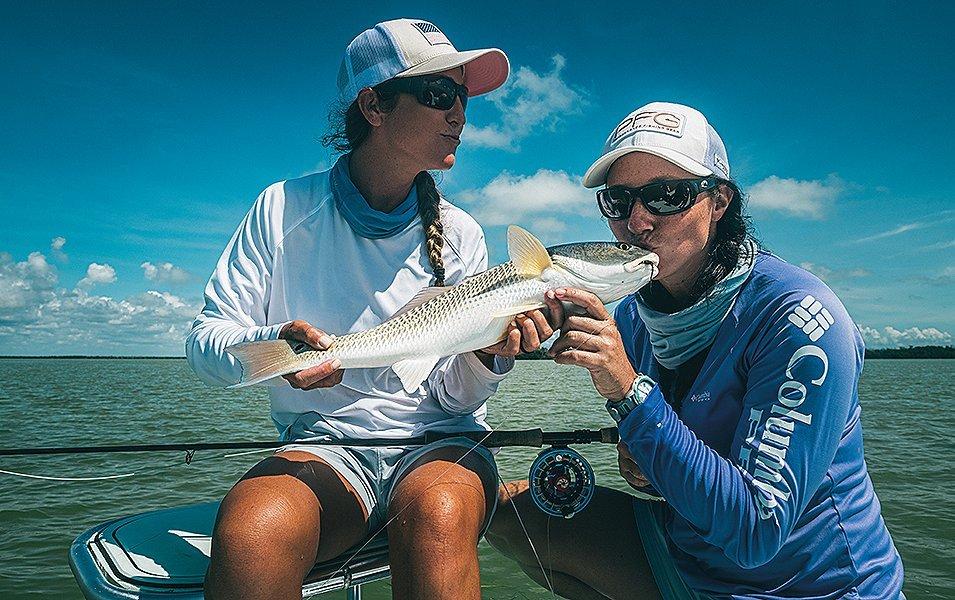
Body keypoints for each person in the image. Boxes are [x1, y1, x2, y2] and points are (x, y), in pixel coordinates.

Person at [185, 19, 555, 600]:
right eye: (439, 93)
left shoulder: (461, 233)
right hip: (325, 448)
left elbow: (454, 401)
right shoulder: (282, 208)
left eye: (463, 96)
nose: (459, 113)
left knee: (437, 514)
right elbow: (204, 341)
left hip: (442, 442)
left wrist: (487, 358)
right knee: (253, 532)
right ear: (373, 106)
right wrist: (279, 346)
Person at [488, 102, 905, 599]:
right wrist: (646, 466)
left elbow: (757, 530)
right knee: (506, 515)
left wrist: (630, 394)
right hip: (690, 561)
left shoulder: (801, 321)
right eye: (618, 201)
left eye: (667, 195)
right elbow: (668, 449)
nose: (638, 221)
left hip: (810, 588)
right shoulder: (632, 317)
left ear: (719, 202)